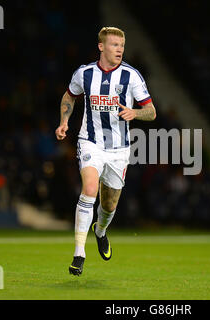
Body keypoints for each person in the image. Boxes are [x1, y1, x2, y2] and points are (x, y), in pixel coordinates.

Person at [55, 27, 156, 276]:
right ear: (101, 47)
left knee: (109, 205)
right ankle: (79, 254)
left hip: (119, 150)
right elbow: (69, 97)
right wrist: (64, 121)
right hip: (90, 141)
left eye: (122, 45)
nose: (119, 49)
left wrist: (136, 113)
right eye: (114, 45)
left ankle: (100, 231)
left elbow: (151, 111)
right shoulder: (85, 73)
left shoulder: (131, 76)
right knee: (89, 188)